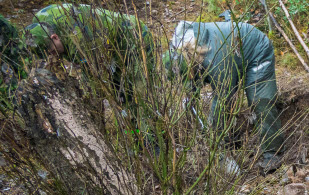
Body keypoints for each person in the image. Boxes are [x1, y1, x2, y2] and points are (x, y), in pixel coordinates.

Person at [163, 20, 283, 172]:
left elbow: (224, 96)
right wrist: (190, 99)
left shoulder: (216, 58)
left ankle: (273, 154)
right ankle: (230, 141)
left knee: (260, 101)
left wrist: (215, 137)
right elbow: (189, 79)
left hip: (255, 50)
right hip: (229, 56)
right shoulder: (179, 52)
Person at [24, 4, 153, 107]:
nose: (54, 56)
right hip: (106, 42)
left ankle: (145, 135)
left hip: (134, 39)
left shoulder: (81, 40)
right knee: (119, 93)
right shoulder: (38, 25)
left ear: (55, 37)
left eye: (52, 51)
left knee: (138, 96)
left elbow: (96, 81)